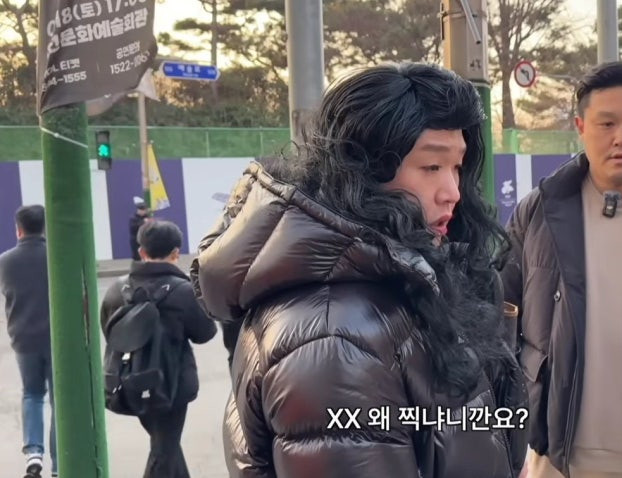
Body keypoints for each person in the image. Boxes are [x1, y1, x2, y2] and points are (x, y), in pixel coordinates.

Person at [191, 62, 527, 477]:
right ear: (362, 170)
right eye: (431, 167)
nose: (452, 192)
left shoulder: (404, 284)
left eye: (457, 167)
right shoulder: (335, 334)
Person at [501, 61, 622, 478]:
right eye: (607, 123)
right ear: (580, 126)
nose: (621, 137)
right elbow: (497, 315)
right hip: (556, 459)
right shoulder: (539, 211)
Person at [101, 220, 217, 478]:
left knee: (166, 444)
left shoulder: (117, 290)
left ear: (141, 251)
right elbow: (205, 333)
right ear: (176, 253)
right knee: (164, 449)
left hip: (130, 382)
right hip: (172, 387)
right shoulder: (184, 291)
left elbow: (109, 330)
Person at [0, 205, 58, 478]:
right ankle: (59, 464)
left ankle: (33, 453)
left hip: (23, 339)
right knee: (60, 401)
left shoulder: (5, 261)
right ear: (45, 227)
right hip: (57, 340)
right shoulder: (56, 257)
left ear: (18, 229)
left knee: (32, 394)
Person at [129, 196, 151, 261]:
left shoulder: (146, 217)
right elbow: (133, 228)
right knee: (137, 257)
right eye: (142, 210)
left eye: (145, 210)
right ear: (139, 210)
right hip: (135, 240)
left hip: (145, 240)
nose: (144, 212)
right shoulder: (133, 218)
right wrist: (143, 222)